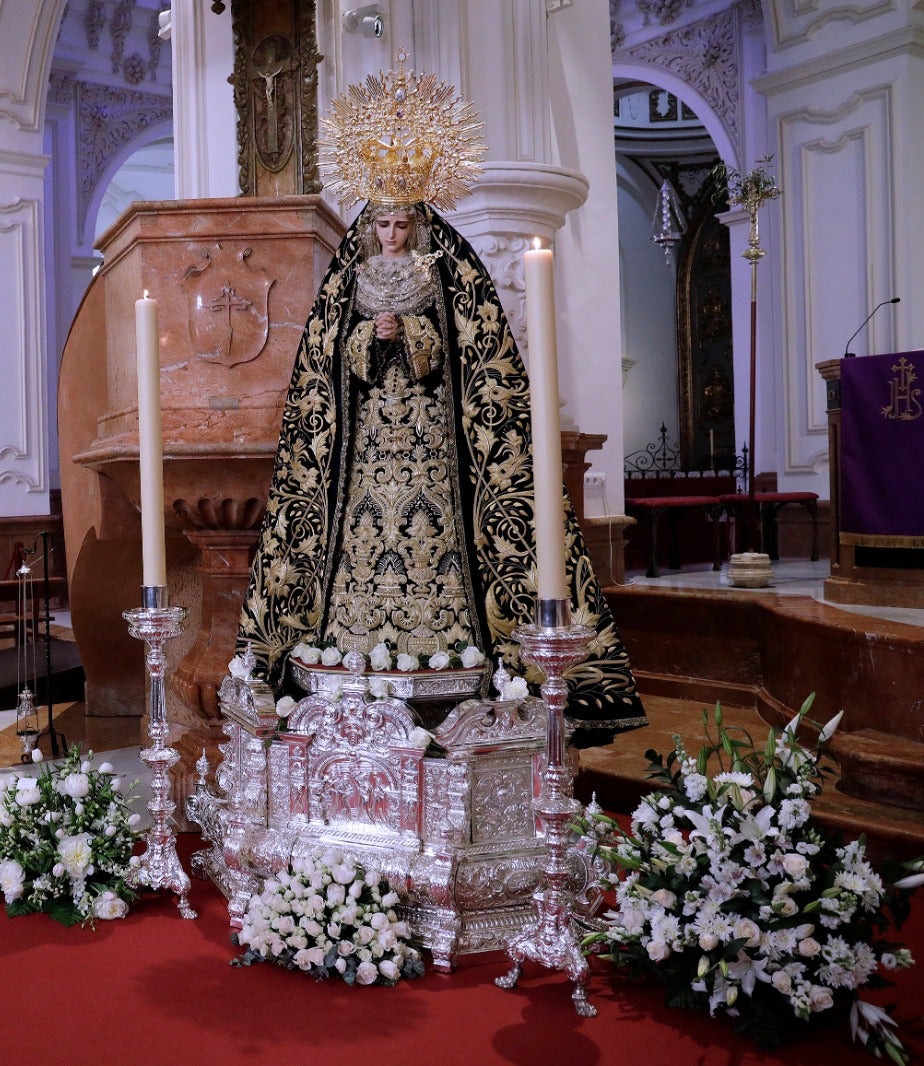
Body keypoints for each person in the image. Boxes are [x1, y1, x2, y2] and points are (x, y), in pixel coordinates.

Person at [235, 82, 644, 741]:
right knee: (363, 535)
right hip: (369, 447)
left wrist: (420, 340)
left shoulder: (448, 270)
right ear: (370, 224)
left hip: (431, 443)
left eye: (402, 223)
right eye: (383, 223)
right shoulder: (350, 276)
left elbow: (472, 354)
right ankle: (352, 647)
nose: (392, 234)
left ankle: (459, 657)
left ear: (419, 223)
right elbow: (326, 363)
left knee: (437, 537)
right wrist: (370, 341)